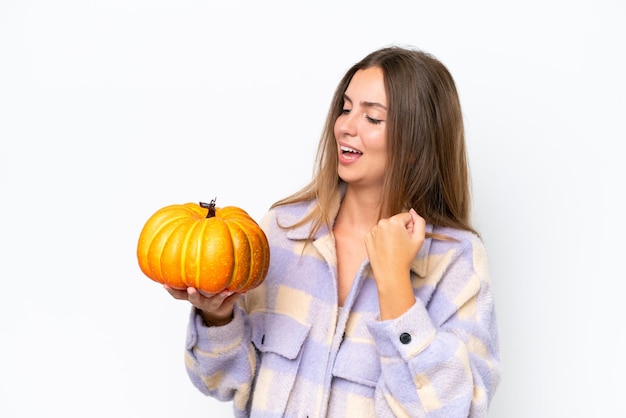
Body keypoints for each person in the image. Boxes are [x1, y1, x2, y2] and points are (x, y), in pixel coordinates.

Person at [165, 45, 501, 417]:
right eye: (346, 108)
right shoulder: (282, 232)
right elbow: (221, 382)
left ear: (415, 145)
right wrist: (217, 317)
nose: (345, 125)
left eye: (372, 118)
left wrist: (396, 288)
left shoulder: (455, 261)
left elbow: (456, 410)